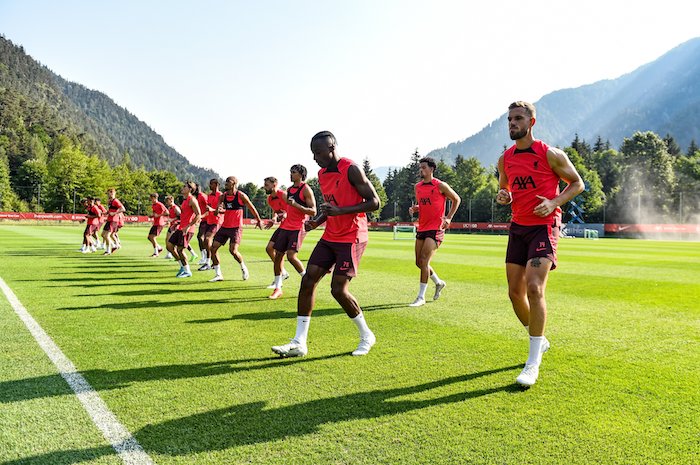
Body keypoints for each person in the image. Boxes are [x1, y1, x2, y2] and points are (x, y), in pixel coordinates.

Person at [496, 101, 584, 387]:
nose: (512, 123)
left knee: (534, 288)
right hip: (518, 228)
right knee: (514, 293)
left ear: (531, 122)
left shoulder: (550, 154)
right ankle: (540, 339)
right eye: (510, 119)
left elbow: (577, 183)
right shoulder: (505, 158)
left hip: (544, 228)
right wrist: (503, 196)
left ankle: (532, 362)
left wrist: (554, 202)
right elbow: (505, 188)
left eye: (518, 119)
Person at [272, 131, 380, 358]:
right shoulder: (321, 174)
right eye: (313, 153)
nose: (315, 158)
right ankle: (299, 343)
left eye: (318, 153)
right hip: (331, 235)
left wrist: (341, 211)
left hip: (352, 236)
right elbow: (331, 205)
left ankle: (366, 335)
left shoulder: (351, 168)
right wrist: (317, 221)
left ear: (331, 148)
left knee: (338, 290)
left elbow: (374, 202)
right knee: (308, 280)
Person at [407, 157, 461, 307]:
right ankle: (438, 282)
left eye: (424, 167)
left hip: (436, 228)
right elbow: (424, 204)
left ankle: (420, 297)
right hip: (422, 227)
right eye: (420, 167)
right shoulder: (417, 187)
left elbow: (457, 199)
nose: (421, 170)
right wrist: (415, 208)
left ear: (432, 169)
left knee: (424, 260)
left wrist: (449, 218)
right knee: (419, 262)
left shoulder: (440, 185)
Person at [268, 164, 317, 299]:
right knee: (278, 256)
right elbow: (289, 209)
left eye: (293, 172)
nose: (290, 174)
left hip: (297, 227)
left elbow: (313, 211)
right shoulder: (289, 189)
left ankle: (308, 281)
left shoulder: (306, 189)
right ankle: (278, 288)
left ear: (301, 174)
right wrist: (281, 215)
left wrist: (296, 205)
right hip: (286, 226)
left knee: (291, 256)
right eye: (290, 172)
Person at [208, 176, 263, 282]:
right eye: (226, 181)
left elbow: (252, 207)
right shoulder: (223, 196)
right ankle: (218, 274)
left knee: (233, 251)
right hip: (224, 226)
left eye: (228, 182)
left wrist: (259, 220)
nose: (226, 183)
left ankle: (243, 267)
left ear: (234, 183)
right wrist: (216, 210)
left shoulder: (241, 196)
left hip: (236, 228)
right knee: (213, 248)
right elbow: (217, 211)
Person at [168, 181, 201, 278]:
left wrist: (188, 226)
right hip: (181, 227)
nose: (182, 188)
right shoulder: (185, 199)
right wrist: (178, 223)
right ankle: (182, 266)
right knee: (169, 246)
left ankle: (187, 271)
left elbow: (198, 215)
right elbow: (184, 215)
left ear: (190, 189)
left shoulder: (192, 200)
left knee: (180, 250)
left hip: (188, 229)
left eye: (185, 187)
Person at [263, 176, 290, 287]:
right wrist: (274, 219)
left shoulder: (283, 195)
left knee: (281, 253)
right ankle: (283, 272)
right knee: (269, 248)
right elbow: (276, 212)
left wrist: (285, 214)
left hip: (292, 226)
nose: (264, 187)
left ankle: (279, 278)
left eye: (267, 185)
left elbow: (292, 209)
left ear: (274, 185)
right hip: (283, 226)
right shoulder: (269, 199)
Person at [198, 179, 224, 271]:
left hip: (217, 221)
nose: (209, 185)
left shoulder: (221, 195)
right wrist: (201, 216)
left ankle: (208, 262)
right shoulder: (209, 196)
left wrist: (214, 210)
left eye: (211, 184)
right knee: (209, 243)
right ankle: (214, 261)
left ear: (216, 184)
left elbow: (224, 210)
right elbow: (208, 210)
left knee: (207, 239)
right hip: (209, 221)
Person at [101, 188, 125, 255]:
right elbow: (110, 210)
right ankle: (114, 246)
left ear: (113, 193)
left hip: (113, 220)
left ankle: (108, 251)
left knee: (107, 235)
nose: (108, 194)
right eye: (108, 193)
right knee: (103, 234)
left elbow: (123, 209)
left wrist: (114, 213)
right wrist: (106, 213)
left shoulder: (116, 201)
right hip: (109, 219)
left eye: (109, 193)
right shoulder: (110, 201)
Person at [147, 193, 168, 257]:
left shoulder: (160, 204)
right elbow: (155, 214)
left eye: (151, 198)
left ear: (154, 198)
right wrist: (152, 216)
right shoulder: (153, 205)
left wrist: (158, 215)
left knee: (152, 237)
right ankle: (159, 248)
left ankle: (156, 253)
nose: (150, 200)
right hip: (155, 223)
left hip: (160, 223)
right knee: (149, 237)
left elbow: (167, 212)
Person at [194, 184, 208, 265]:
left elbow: (208, 208)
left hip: (208, 220)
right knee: (200, 237)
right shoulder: (196, 197)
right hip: (203, 220)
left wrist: (201, 216)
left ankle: (206, 257)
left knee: (202, 237)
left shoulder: (202, 196)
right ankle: (204, 256)